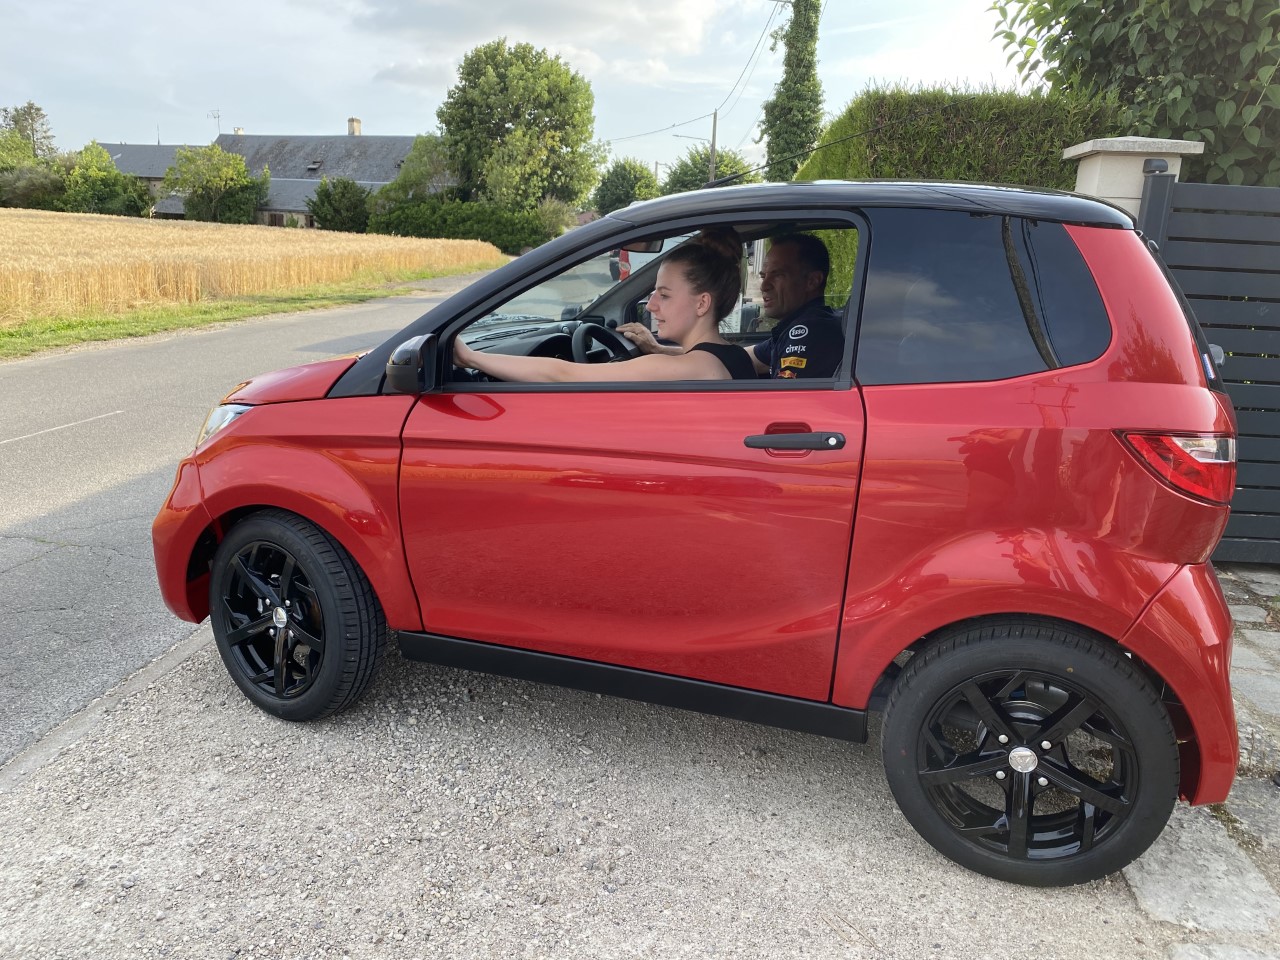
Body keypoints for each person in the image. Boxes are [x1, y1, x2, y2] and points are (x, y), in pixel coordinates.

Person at [452, 228, 756, 382]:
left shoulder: (687, 368)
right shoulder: (734, 356)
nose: (651, 305)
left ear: (702, 303)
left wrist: (471, 358)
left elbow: (563, 375)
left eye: (664, 295)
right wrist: (656, 349)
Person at [620, 232, 844, 380]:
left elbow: (789, 408)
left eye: (778, 275)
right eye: (764, 275)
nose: (764, 285)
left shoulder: (810, 334)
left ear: (812, 281)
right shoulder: (793, 330)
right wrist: (659, 349)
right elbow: (742, 356)